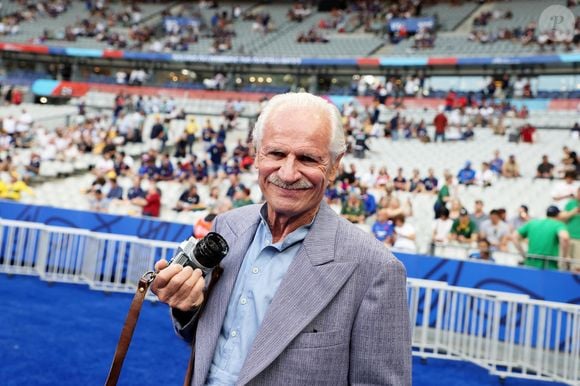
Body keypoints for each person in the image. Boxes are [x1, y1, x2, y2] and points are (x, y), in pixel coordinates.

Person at [151, 92, 411, 385]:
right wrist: (188, 306)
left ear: (336, 165)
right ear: (256, 154)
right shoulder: (227, 226)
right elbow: (211, 341)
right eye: (276, 154)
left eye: (308, 158)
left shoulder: (376, 268)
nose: (287, 174)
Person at [513, 205, 570, 270]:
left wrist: (523, 254)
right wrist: (564, 257)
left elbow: (514, 236)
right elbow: (565, 237)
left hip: (530, 263)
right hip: (549, 265)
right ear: (558, 215)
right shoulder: (558, 224)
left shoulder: (533, 223)